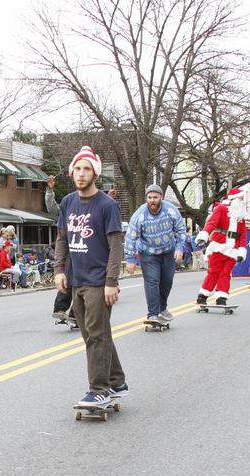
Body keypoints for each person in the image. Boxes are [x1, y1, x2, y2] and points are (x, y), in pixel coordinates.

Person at [53, 145, 127, 407]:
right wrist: (59, 269)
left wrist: (111, 282)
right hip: (77, 279)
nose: (81, 174)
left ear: (95, 173)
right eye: (77, 169)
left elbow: (116, 245)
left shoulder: (107, 205)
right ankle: (116, 380)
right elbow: (62, 238)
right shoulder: (68, 202)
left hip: (98, 280)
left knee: (96, 335)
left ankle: (99, 388)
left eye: (86, 169)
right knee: (93, 335)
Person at [124, 184, 186, 323]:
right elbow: (130, 237)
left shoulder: (170, 210)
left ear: (161, 197)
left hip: (168, 251)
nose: (152, 200)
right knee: (152, 281)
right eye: (149, 197)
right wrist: (130, 259)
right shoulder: (140, 214)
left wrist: (179, 248)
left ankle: (162, 309)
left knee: (167, 281)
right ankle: (152, 313)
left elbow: (181, 230)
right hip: (148, 253)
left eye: (155, 197)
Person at [195, 189, 248, 306]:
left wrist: (241, 251)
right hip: (219, 246)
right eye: (241, 198)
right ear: (233, 199)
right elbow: (212, 223)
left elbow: (243, 235)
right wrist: (204, 235)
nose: (242, 201)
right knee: (213, 272)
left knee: (226, 273)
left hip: (233, 249)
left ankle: (221, 298)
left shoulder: (241, 216)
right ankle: (203, 295)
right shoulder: (221, 209)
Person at [46, 175, 74, 320]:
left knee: (83, 281)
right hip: (69, 245)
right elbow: (52, 208)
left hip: (88, 247)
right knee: (68, 275)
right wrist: (50, 191)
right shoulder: (67, 205)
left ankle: (76, 313)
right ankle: (60, 308)